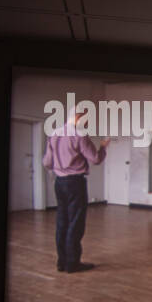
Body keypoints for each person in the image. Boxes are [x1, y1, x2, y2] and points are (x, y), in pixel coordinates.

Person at [42, 110, 109, 273]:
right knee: (76, 222)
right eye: (86, 120)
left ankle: (62, 262)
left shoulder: (54, 134)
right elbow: (96, 159)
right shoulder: (79, 135)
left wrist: (61, 165)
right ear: (79, 118)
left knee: (62, 221)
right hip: (75, 183)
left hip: (59, 183)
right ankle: (73, 263)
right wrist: (102, 147)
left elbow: (47, 162)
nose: (87, 124)